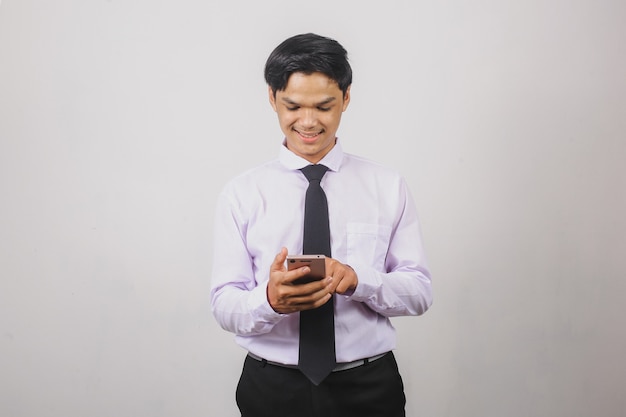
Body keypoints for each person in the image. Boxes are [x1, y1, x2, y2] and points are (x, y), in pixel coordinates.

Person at [210, 33, 432, 417]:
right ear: (272, 98)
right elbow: (224, 304)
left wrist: (358, 279)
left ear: (346, 98)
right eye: (292, 106)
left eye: (324, 106)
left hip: (368, 387)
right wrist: (269, 301)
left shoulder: (387, 186)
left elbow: (419, 292)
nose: (308, 122)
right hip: (271, 389)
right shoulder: (242, 194)